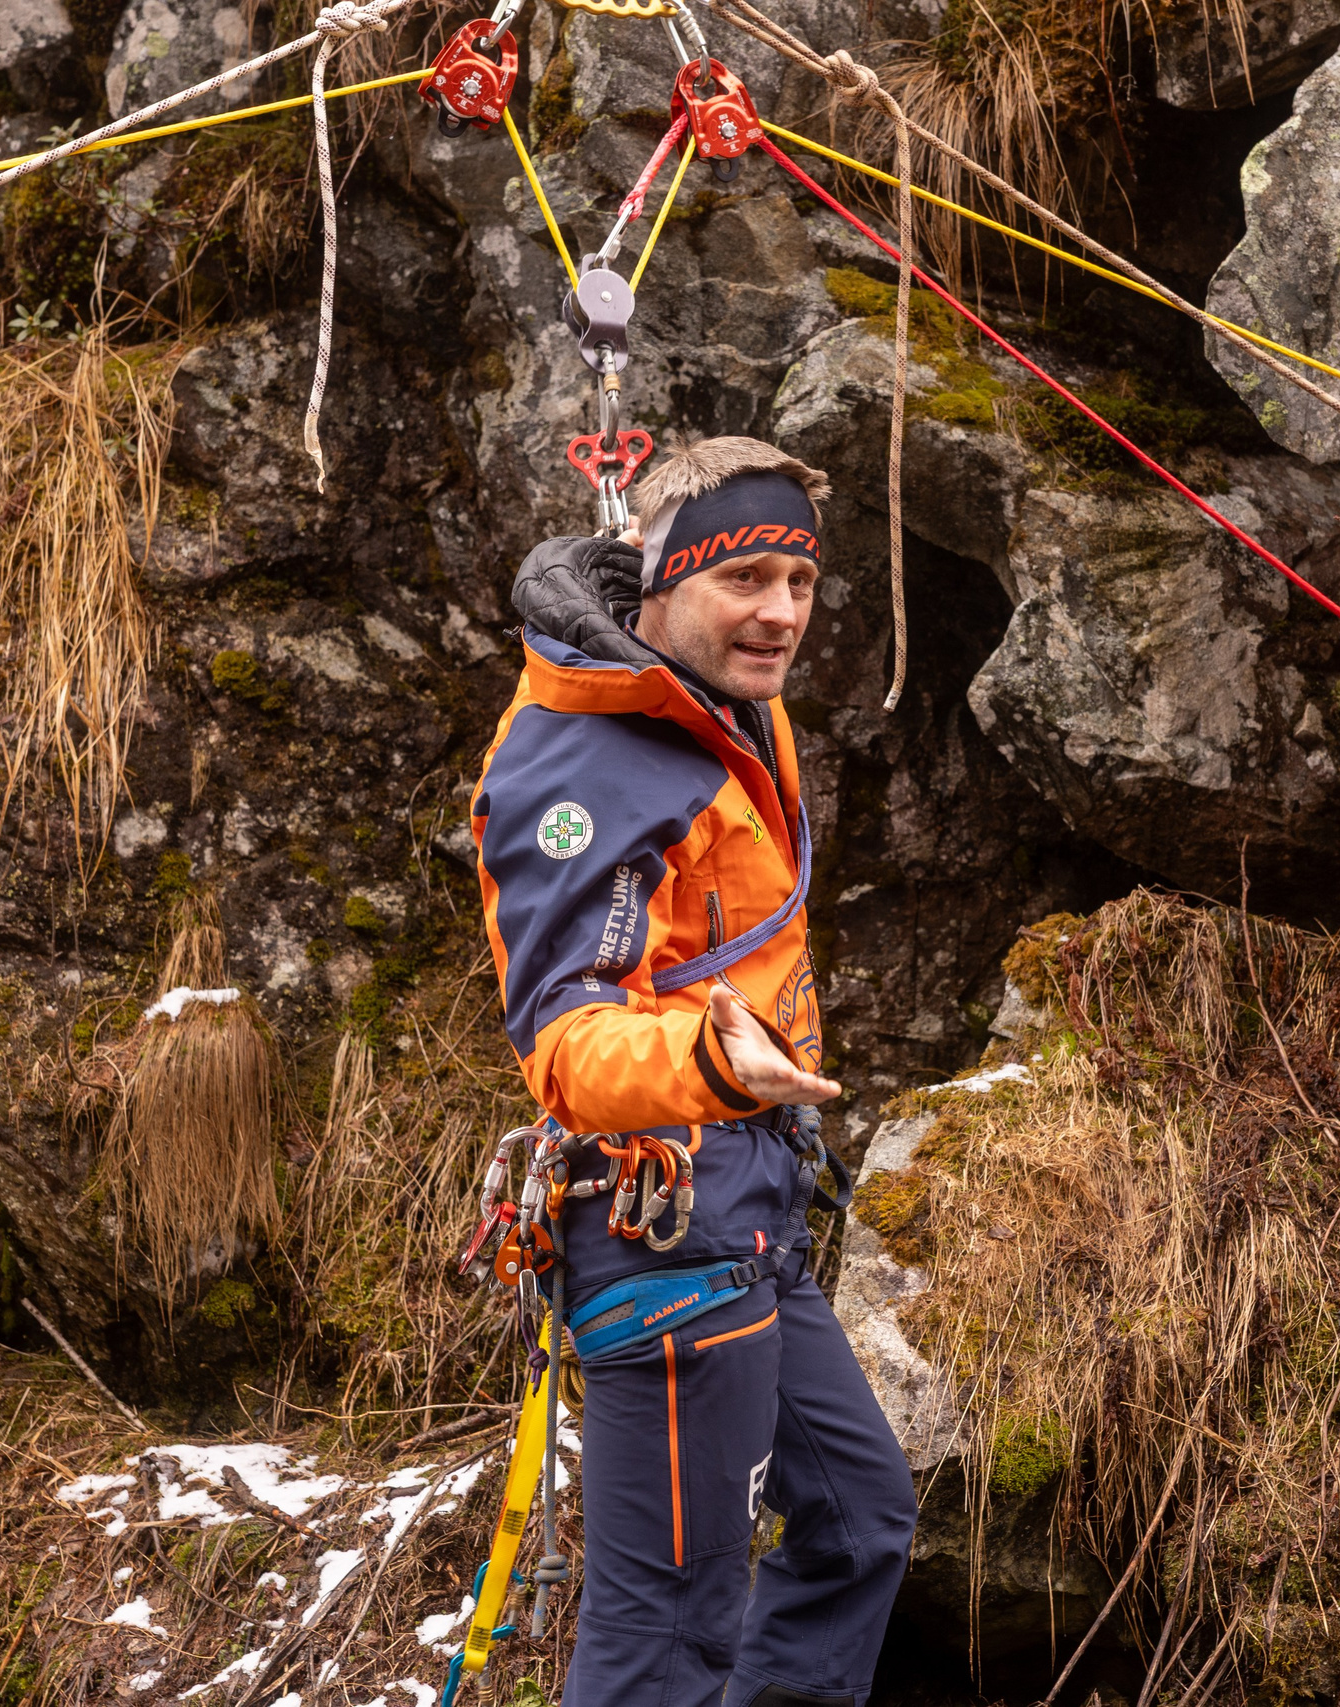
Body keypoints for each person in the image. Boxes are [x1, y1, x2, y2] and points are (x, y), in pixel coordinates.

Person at [471, 436, 918, 1707]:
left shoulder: (717, 701)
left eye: (800, 581)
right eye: (745, 580)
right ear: (660, 580)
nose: (780, 614)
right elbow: (562, 1035)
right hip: (661, 1222)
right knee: (668, 1633)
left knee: (859, 1523)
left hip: (747, 1203)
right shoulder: (584, 764)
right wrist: (713, 1062)